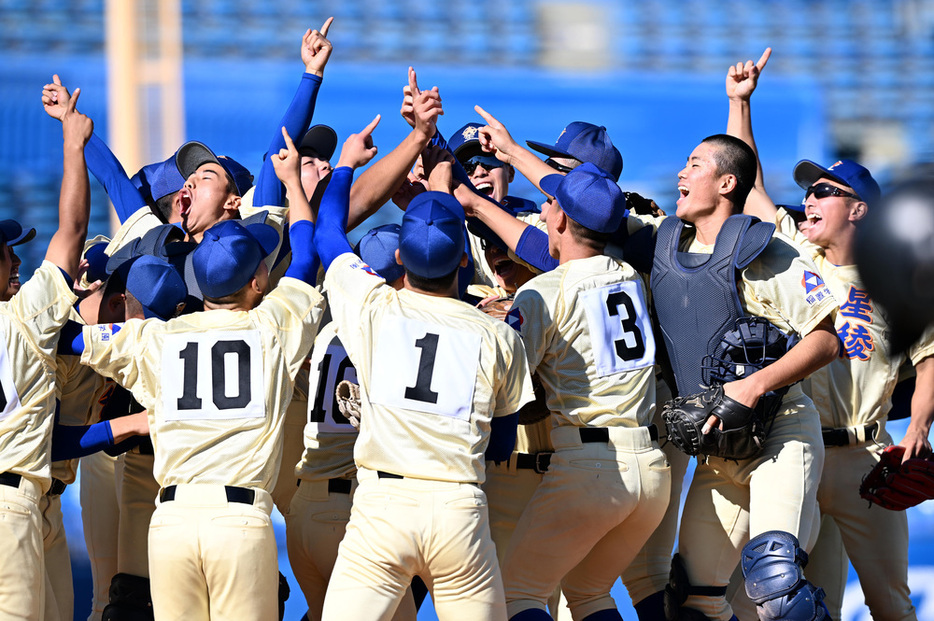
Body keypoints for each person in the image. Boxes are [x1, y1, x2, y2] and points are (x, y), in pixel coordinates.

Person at [78, 125, 327, 621]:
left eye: (206, 177)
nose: (184, 189)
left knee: (122, 598)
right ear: (257, 279)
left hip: (170, 505)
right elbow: (308, 254)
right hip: (233, 511)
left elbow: (77, 337)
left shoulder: (159, 338)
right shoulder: (270, 325)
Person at [730, 49, 931, 620]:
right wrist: (740, 105)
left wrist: (917, 424)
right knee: (798, 603)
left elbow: (930, 357)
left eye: (825, 191)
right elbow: (745, 189)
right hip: (796, 446)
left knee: (888, 598)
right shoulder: (796, 251)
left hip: (864, 459)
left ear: (860, 210)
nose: (810, 199)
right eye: (810, 191)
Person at [314, 115, 534, 620]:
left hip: (382, 505)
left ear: (396, 255)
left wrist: (346, 164)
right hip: (459, 507)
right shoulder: (498, 334)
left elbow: (327, 232)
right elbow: (501, 443)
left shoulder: (372, 305)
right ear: (463, 260)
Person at [498, 163, 669, 621]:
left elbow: (507, 384)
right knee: (588, 592)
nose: (543, 208)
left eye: (550, 203)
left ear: (559, 220)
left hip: (590, 466)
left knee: (518, 595)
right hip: (651, 469)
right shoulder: (631, 276)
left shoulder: (542, 291)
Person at [0, 88, 93, 620]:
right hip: (11, 509)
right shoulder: (25, 319)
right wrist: (73, 143)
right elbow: (72, 231)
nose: (15, 259)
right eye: (5, 252)